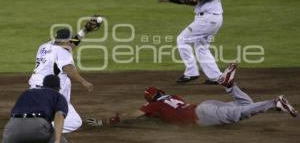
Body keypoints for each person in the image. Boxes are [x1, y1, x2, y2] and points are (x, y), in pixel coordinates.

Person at [85, 71, 298, 128]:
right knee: (244, 107)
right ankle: (230, 86)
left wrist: (109, 121)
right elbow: (169, 114)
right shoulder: (172, 97)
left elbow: (131, 114)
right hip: (205, 106)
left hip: (202, 115)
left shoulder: (154, 105)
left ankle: (274, 103)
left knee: (239, 113)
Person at [159, 0, 227, 84]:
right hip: (209, 19)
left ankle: (191, 72)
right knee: (201, 47)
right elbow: (187, 0)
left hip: (209, 18)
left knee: (182, 39)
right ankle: (216, 77)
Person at [28, 15, 101, 133]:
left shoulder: (45, 46)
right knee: (75, 122)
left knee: (64, 88)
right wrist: (84, 82)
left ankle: (38, 117)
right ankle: (44, 125)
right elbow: (68, 68)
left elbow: (70, 45)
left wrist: (85, 30)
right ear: (67, 40)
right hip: (50, 96)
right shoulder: (62, 53)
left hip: (34, 92)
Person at [2, 75, 69, 143]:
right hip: (36, 127)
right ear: (58, 88)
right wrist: (57, 140)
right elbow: (59, 116)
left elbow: (13, 112)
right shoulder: (58, 96)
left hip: (12, 127)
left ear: (43, 85)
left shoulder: (27, 92)